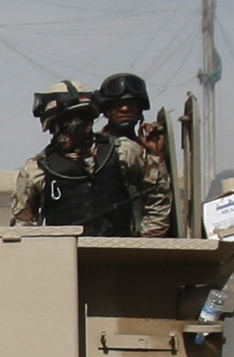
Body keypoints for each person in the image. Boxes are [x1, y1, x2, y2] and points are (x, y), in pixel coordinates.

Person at [11, 80, 171, 237]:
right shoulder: (37, 170)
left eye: (82, 115)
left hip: (119, 250)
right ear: (53, 123)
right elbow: (24, 229)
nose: (77, 124)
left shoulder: (123, 151)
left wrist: (147, 241)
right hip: (66, 252)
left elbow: (157, 189)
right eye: (68, 118)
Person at [92, 73, 177, 236]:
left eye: (131, 104)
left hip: (131, 240)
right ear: (107, 110)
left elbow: (158, 199)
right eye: (118, 104)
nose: (125, 109)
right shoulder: (93, 149)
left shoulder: (145, 150)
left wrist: (155, 154)